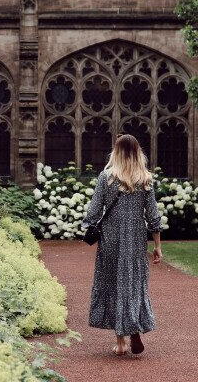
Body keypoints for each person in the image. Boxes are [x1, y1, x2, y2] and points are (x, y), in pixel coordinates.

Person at [83, 134, 163, 356]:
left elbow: (93, 212)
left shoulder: (106, 177)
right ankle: (134, 326)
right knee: (134, 284)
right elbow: (153, 217)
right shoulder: (145, 179)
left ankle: (121, 342)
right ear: (138, 152)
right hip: (136, 240)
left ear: (115, 152)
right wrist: (157, 246)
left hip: (111, 239)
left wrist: (89, 226)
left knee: (112, 284)